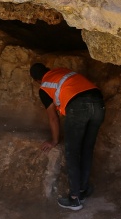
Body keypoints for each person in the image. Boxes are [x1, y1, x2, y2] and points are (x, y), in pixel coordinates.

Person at [30, 63, 105, 211]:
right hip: (98, 103)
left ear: (37, 80)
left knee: (72, 152)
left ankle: (74, 199)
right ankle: (83, 190)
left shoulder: (44, 87)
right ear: (47, 69)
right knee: (87, 149)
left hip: (78, 107)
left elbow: (53, 118)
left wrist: (55, 140)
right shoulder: (62, 72)